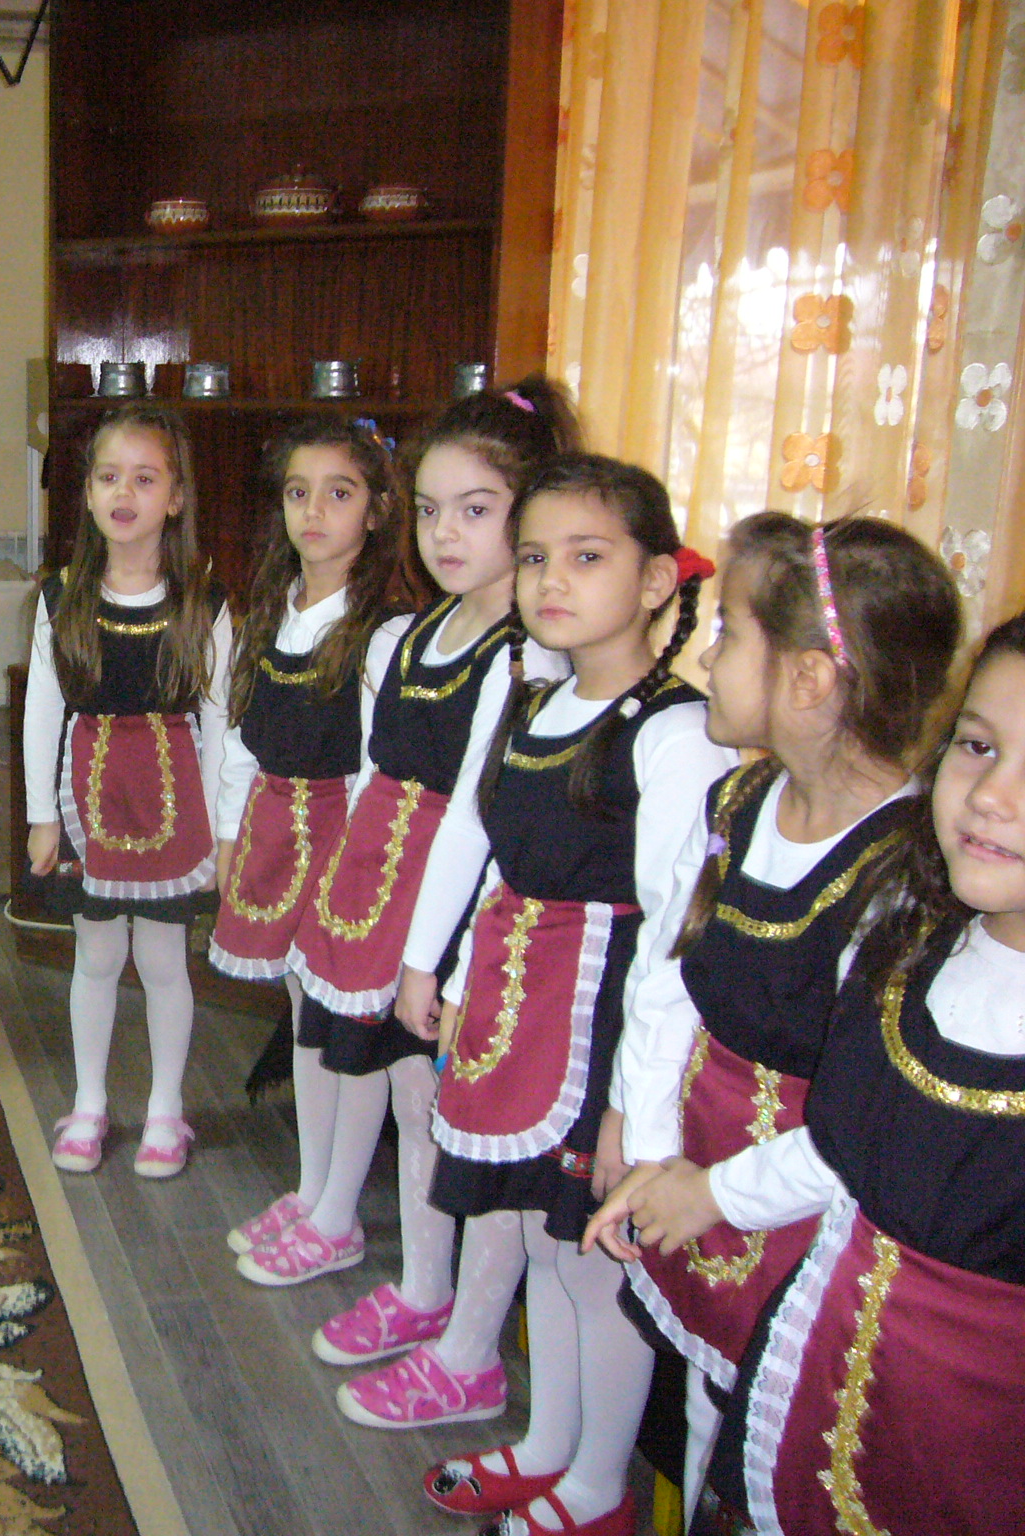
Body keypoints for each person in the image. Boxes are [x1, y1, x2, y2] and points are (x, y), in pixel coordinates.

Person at [608, 612, 1025, 1536]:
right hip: (829, 1371)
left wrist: (715, 1191)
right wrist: (681, 1168)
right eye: (980, 746)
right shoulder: (911, 948)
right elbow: (849, 1137)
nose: (994, 796)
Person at [419, 456, 734, 1536]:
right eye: (536, 557)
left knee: (593, 1262)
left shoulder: (673, 734)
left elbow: (677, 939)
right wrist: (459, 982)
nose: (552, 580)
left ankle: (599, 1485)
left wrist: (629, 1115)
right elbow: (502, 870)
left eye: (586, 557)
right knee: (545, 1247)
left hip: (607, 1039)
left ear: (654, 580)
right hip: (525, 1013)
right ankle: (549, 1446)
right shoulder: (537, 702)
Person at [296, 382, 579, 1437]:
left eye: (476, 509)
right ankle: (422, 1290)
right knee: (417, 1106)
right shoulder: (413, 635)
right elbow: (386, 782)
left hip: (475, 933)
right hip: (402, 915)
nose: (445, 533)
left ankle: (471, 1352)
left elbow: (483, 815)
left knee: (480, 1139)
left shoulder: (533, 654)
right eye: (427, 510)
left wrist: (441, 963)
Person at [210, 416, 417, 1267]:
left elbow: (377, 768)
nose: (315, 512)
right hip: (274, 830)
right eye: (299, 493)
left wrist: (359, 873)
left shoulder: (382, 631)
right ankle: (309, 1187)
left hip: (342, 843)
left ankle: (339, 1212)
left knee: (343, 1026)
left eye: (339, 493)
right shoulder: (270, 612)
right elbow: (238, 734)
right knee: (302, 1016)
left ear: (376, 510)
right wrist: (230, 832)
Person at [24, 403, 231, 1177]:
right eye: (109, 477)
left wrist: (220, 829)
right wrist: (42, 816)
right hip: (91, 797)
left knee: (166, 957)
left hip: (176, 799)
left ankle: (166, 1110)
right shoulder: (62, 598)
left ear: (175, 498)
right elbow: (43, 709)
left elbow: (220, 723)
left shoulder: (204, 603)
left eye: (145, 479)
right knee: (98, 952)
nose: (124, 493)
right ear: (86, 493)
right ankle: (89, 1102)